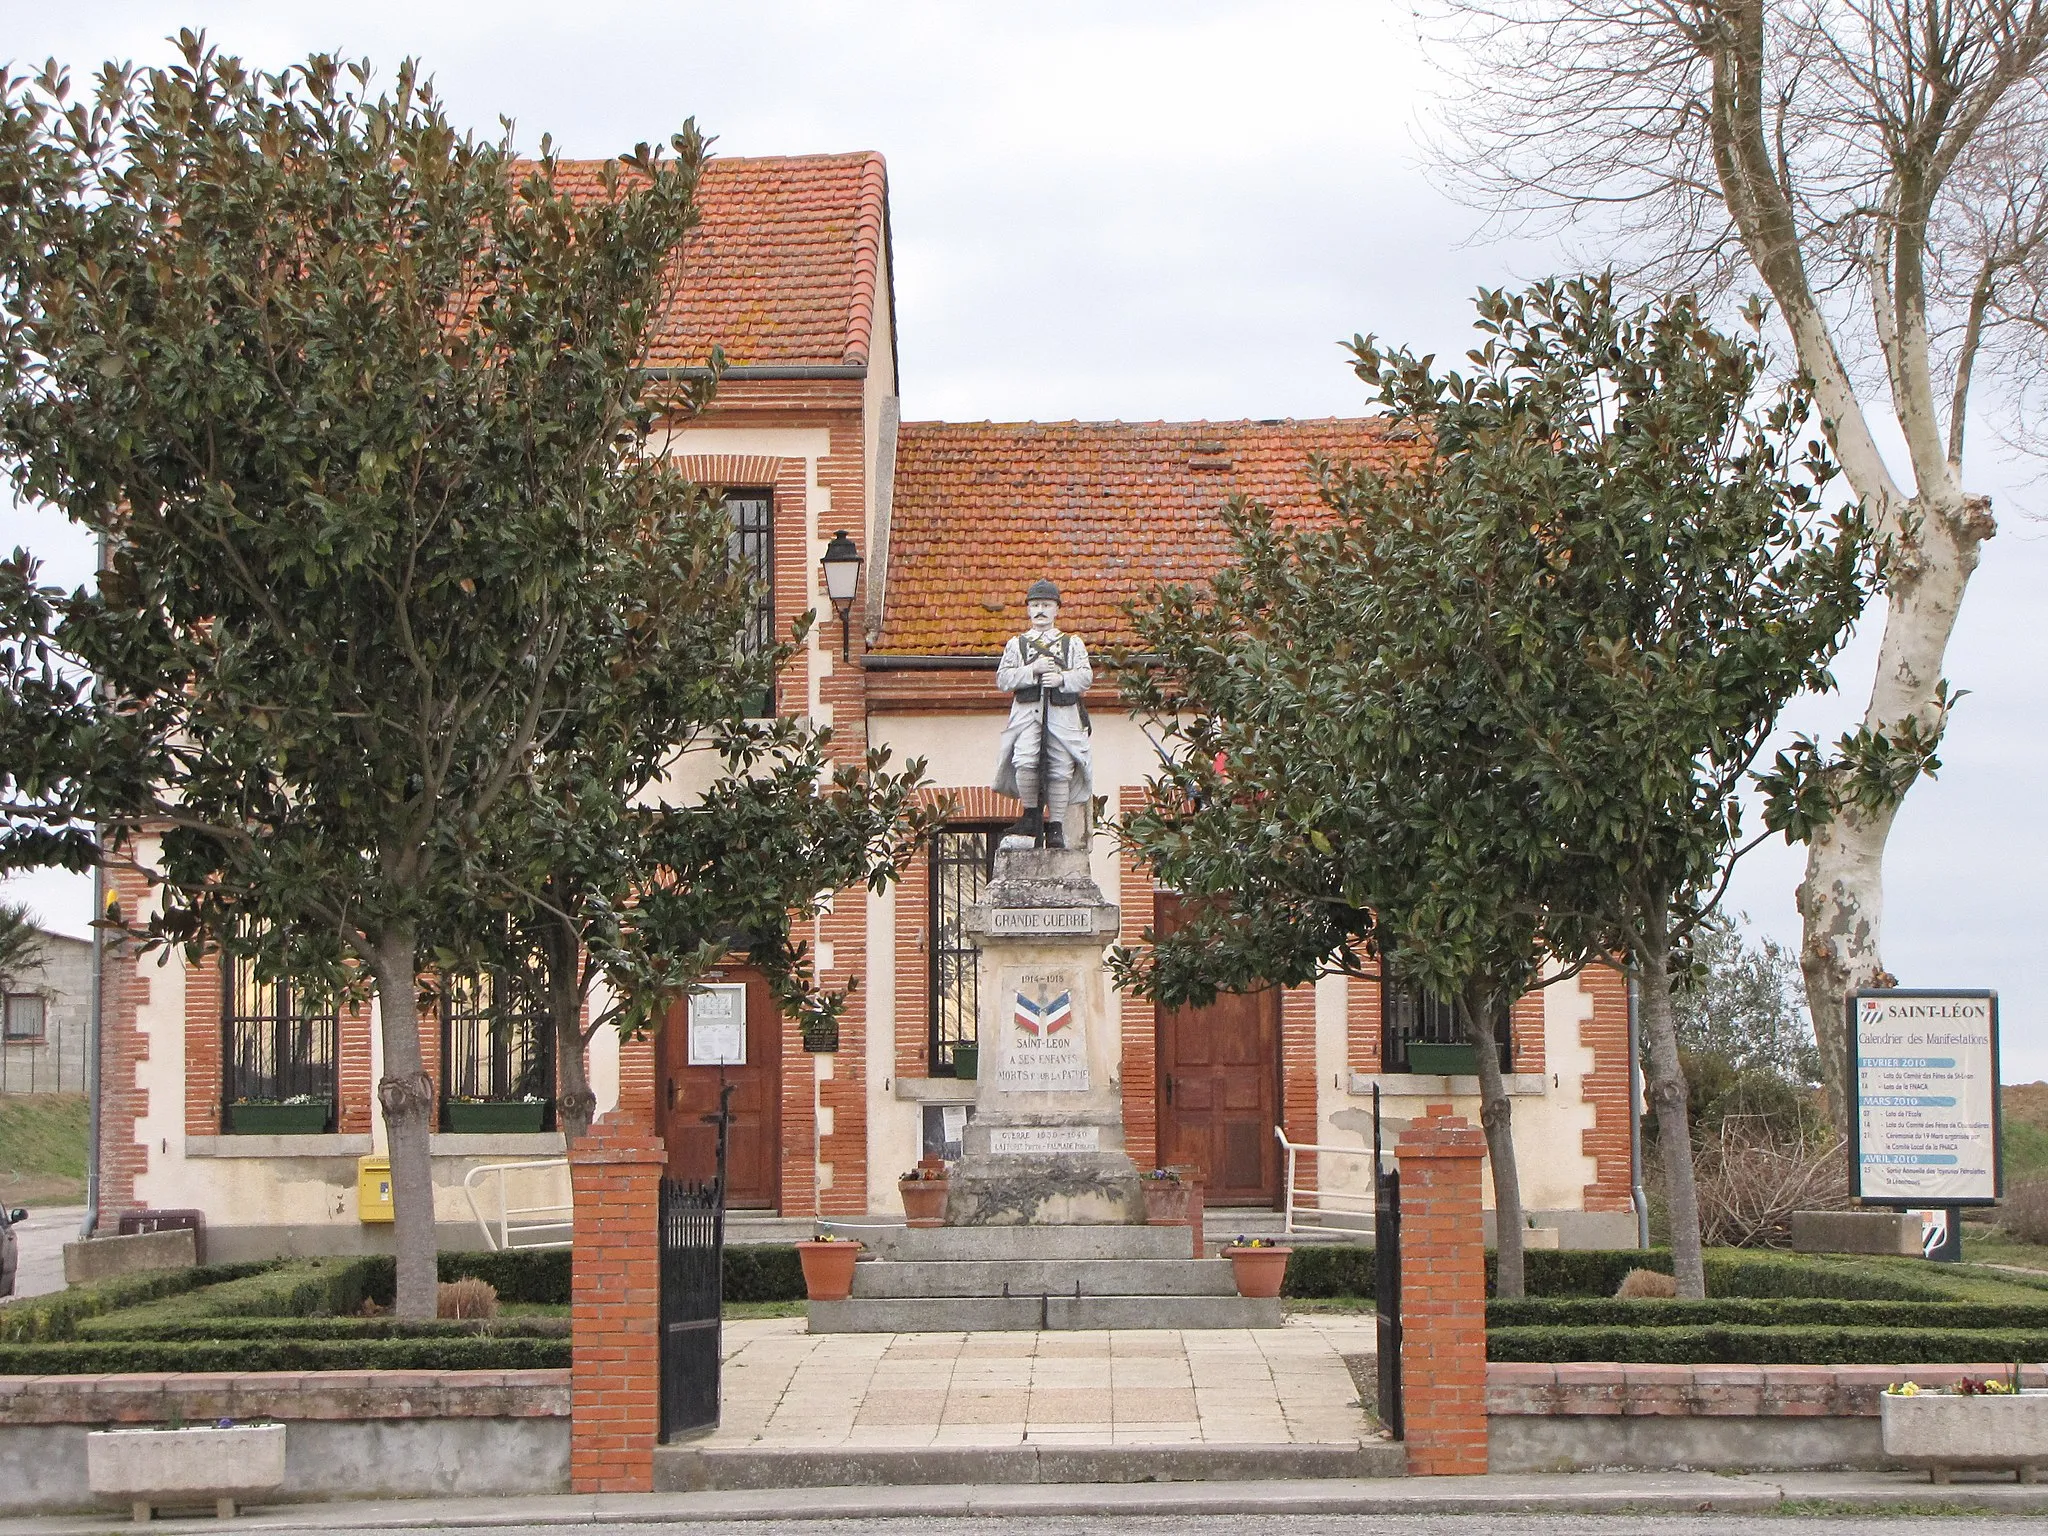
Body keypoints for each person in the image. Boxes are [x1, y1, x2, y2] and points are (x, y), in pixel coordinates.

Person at [993, 579, 1094, 850]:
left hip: (1062, 715)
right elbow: (1003, 679)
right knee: (1024, 760)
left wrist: (1061, 678)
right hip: (1027, 714)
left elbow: (1085, 676)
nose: (1041, 610)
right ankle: (1030, 815)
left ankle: (1056, 827)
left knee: (1059, 769)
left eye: (1046, 605)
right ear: (1028, 609)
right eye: (1036, 605)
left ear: (1056, 609)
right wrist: (1032, 671)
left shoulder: (1072, 644)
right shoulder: (1017, 644)